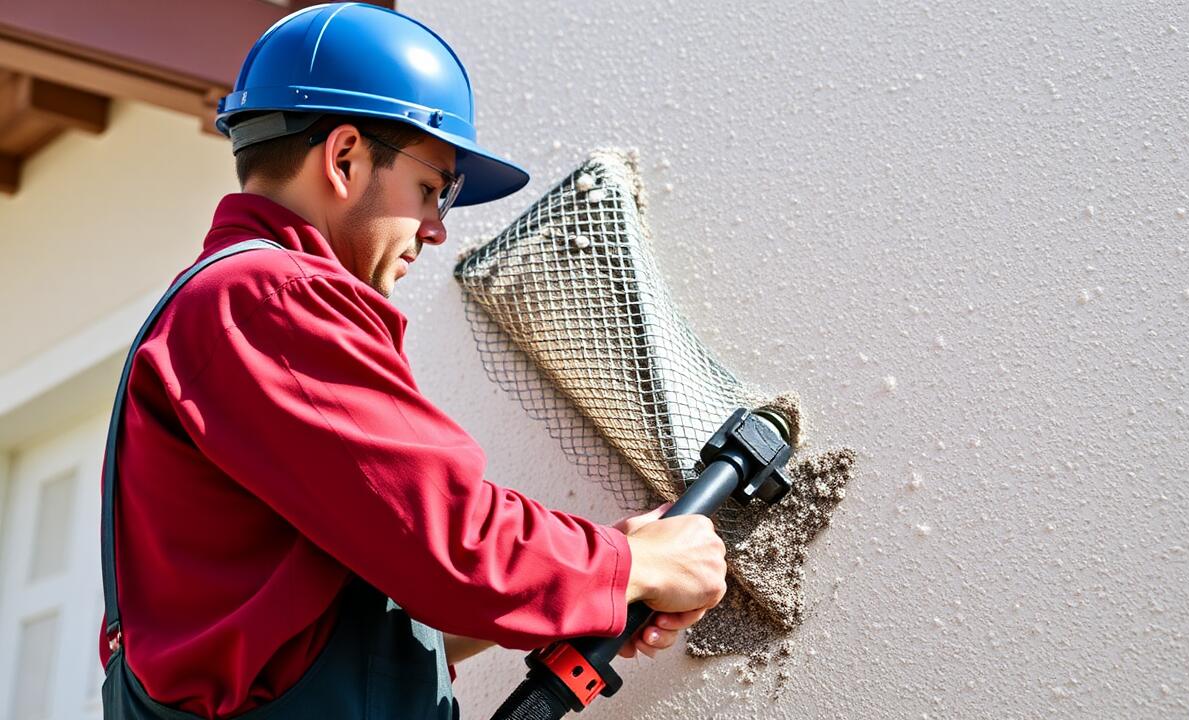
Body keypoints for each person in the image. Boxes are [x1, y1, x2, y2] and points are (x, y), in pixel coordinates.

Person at [98, 4, 726, 719]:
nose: (436, 229)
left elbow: (376, 614)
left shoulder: (235, 307)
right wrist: (632, 566)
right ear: (344, 158)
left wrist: (600, 582)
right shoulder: (267, 298)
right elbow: (452, 541)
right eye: (432, 189)